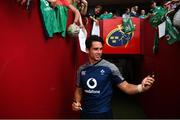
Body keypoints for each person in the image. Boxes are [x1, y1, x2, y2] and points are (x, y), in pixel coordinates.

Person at [72, 35, 155, 119]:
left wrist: (141, 87)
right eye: (95, 49)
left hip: (104, 113)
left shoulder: (110, 67)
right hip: (86, 113)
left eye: (101, 49)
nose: (99, 52)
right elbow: (79, 89)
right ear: (87, 50)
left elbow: (126, 87)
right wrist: (77, 102)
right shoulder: (81, 69)